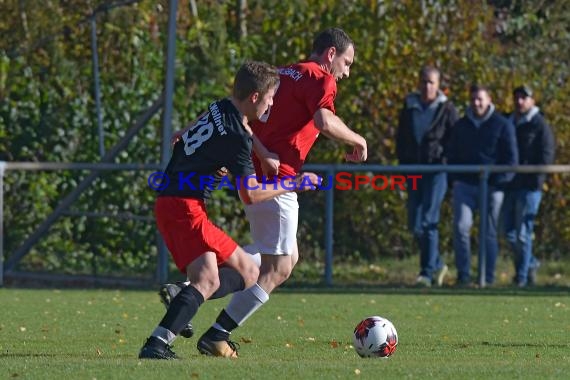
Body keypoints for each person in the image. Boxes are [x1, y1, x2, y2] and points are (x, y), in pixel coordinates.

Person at [160, 27, 366, 358]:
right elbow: (325, 121)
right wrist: (358, 140)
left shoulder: (285, 74)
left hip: (257, 171)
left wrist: (262, 150)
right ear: (331, 54)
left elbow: (246, 117)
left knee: (279, 257)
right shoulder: (320, 78)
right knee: (279, 267)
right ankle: (213, 328)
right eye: (347, 62)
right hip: (278, 180)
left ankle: (191, 293)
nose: (346, 72)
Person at [138, 61, 319, 360]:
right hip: (186, 208)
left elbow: (180, 139)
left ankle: (158, 341)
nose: (273, 103)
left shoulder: (220, 107)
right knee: (247, 270)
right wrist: (294, 183)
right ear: (255, 98)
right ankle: (168, 327)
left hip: (171, 202)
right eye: (271, 97)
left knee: (209, 277)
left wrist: (218, 161)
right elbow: (251, 194)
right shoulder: (238, 136)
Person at [447, 84, 518, 286]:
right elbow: (451, 155)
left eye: (481, 99)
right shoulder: (461, 125)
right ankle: (464, 276)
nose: (477, 103)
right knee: (461, 228)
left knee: (489, 232)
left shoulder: (502, 125)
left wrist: (496, 181)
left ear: (489, 99)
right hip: (465, 185)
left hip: (493, 187)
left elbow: (511, 160)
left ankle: (487, 278)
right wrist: (456, 180)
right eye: (474, 99)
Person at [396, 65, 458, 287]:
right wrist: (403, 164)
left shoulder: (447, 108)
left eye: (431, 82)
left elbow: (454, 140)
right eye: (423, 81)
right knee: (415, 223)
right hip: (413, 171)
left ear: (439, 85)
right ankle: (438, 263)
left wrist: (444, 161)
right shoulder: (410, 106)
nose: (427, 86)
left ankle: (427, 273)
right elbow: (401, 137)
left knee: (428, 221)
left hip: (436, 172)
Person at [502, 85, 555, 287]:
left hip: (529, 187)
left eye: (524, 97)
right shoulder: (507, 122)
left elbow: (546, 154)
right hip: (509, 185)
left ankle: (522, 278)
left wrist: (535, 180)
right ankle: (531, 263)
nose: (520, 101)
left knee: (523, 233)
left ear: (532, 100)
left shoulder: (540, 125)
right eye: (516, 97)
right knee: (507, 232)